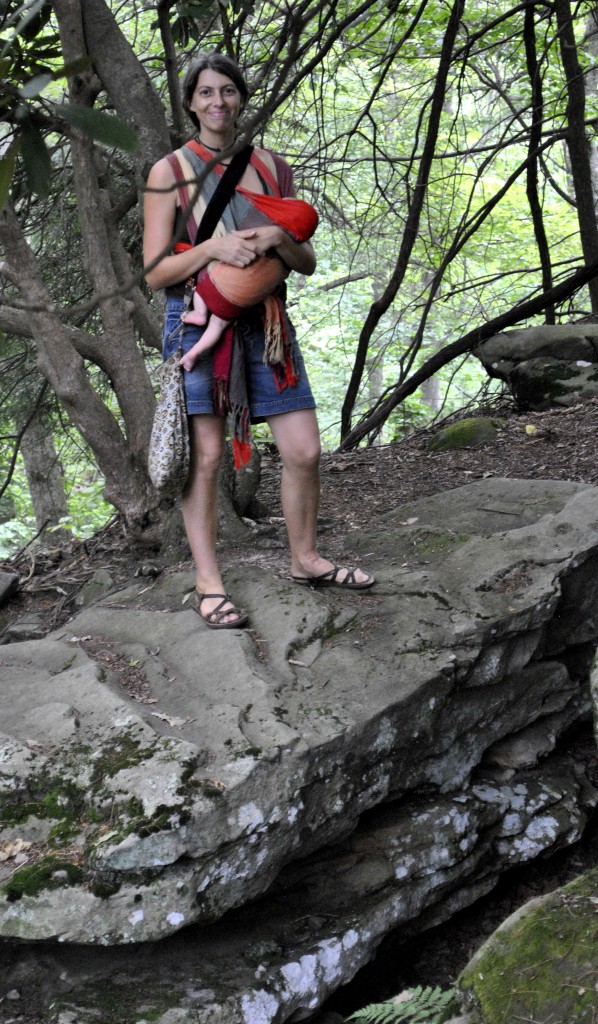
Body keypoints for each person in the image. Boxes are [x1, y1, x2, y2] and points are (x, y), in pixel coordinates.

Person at [143, 52, 374, 630]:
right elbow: (153, 272)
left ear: (240, 99)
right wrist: (214, 249)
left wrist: (278, 236)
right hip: (196, 320)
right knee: (209, 456)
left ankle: (305, 559)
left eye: (228, 91)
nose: (217, 102)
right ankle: (208, 583)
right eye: (206, 93)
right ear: (191, 103)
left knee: (303, 450)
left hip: (268, 323)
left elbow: (306, 260)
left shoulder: (273, 168)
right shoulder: (168, 171)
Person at [179, 193, 319, 370]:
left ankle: (200, 313)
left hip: (220, 287)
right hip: (240, 302)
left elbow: (237, 239)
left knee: (200, 284)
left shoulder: (262, 227)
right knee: (218, 325)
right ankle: (194, 353)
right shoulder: (290, 250)